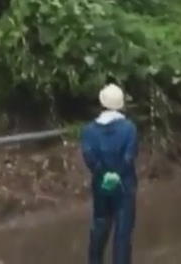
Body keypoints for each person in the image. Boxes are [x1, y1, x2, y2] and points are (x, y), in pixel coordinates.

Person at [81, 83, 139, 264]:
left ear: (101, 103)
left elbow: (89, 157)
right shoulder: (129, 128)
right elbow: (129, 157)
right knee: (122, 234)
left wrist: (103, 173)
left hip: (101, 185)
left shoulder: (89, 131)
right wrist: (117, 174)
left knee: (99, 227)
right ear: (121, 104)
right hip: (124, 186)